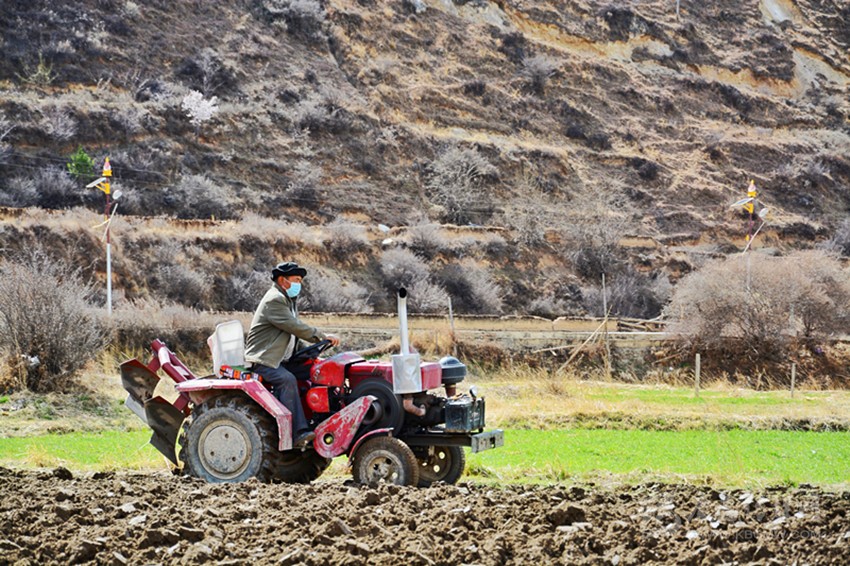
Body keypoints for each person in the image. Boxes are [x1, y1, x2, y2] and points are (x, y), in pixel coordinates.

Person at [244, 262, 340, 448]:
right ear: (283, 280)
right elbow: (294, 326)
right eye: (296, 280)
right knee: (286, 379)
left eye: (300, 281)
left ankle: (322, 420)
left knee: (318, 372)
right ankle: (297, 432)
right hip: (265, 359)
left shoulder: (287, 300)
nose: (299, 285)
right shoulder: (275, 300)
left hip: (282, 358)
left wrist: (313, 350)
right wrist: (322, 336)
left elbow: (291, 335)